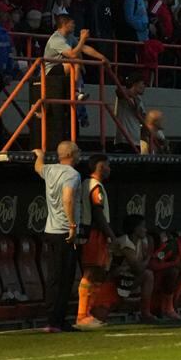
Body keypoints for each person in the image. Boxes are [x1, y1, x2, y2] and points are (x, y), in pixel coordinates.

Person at [34, 140, 81, 332]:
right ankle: (56, 321)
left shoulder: (50, 170)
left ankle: (53, 319)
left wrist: (40, 155)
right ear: (70, 154)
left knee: (53, 276)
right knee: (64, 277)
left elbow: (38, 168)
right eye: (77, 151)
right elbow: (68, 197)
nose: (79, 154)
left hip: (50, 230)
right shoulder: (72, 174)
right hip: (63, 231)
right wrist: (72, 225)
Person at [42, 16, 108, 148]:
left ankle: (76, 91)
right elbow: (72, 54)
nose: (74, 26)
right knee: (76, 62)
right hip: (51, 72)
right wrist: (83, 38)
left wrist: (102, 57)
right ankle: (76, 91)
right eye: (72, 24)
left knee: (76, 63)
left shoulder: (69, 37)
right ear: (64, 24)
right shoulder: (57, 38)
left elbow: (83, 48)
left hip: (64, 69)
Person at [92, 214, 155, 324]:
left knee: (148, 275)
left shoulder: (142, 242)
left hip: (126, 280)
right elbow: (137, 268)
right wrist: (149, 256)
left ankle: (146, 313)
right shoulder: (124, 242)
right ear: (135, 228)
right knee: (98, 318)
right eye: (143, 226)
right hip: (111, 282)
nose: (145, 230)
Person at [76, 154, 114, 329]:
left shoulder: (87, 184)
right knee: (90, 272)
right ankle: (82, 315)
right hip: (94, 233)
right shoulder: (94, 186)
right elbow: (98, 213)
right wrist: (110, 235)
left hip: (93, 232)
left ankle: (89, 313)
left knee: (97, 272)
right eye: (107, 165)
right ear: (99, 167)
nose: (109, 168)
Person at [148, 225, 181, 319]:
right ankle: (165, 307)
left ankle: (170, 306)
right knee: (173, 271)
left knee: (180, 271)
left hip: (169, 286)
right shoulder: (171, 246)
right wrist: (173, 264)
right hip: (154, 280)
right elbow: (152, 264)